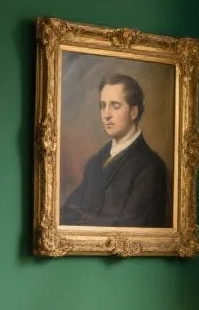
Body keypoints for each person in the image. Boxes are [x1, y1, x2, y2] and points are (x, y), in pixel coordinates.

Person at [61, 73, 170, 228]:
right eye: (102, 105)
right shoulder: (95, 163)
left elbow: (128, 227)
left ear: (133, 112)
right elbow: (65, 213)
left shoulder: (151, 168)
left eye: (115, 106)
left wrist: (83, 218)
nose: (106, 114)